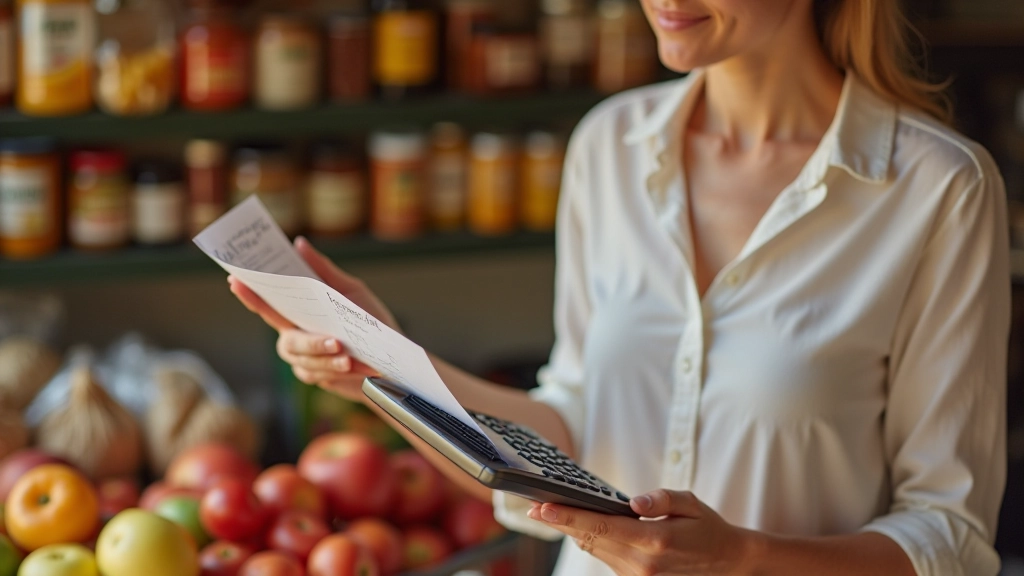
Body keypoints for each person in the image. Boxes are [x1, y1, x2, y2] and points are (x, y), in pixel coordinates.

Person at [230, 0, 1011, 573]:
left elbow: (948, 532)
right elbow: (568, 427)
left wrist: (741, 557)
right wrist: (384, 362)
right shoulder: (610, 146)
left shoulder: (937, 190)